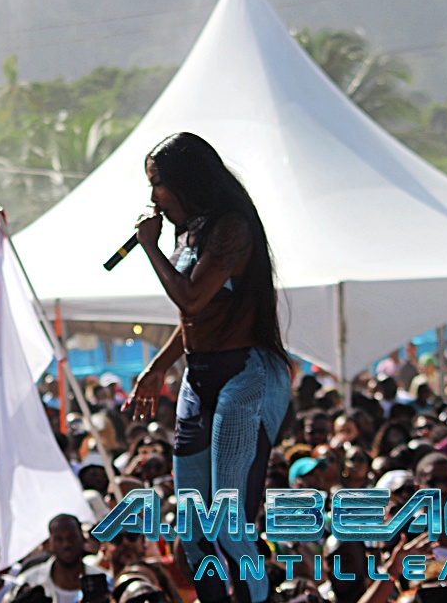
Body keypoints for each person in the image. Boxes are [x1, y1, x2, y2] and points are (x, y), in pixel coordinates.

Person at [124, 133, 292, 603]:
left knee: (228, 525)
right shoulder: (189, 231)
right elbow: (198, 316)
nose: (152, 196)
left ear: (187, 181)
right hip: (198, 379)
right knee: (194, 534)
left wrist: (151, 249)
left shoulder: (232, 228)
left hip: (245, 377)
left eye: (157, 183)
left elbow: (192, 298)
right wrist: (158, 368)